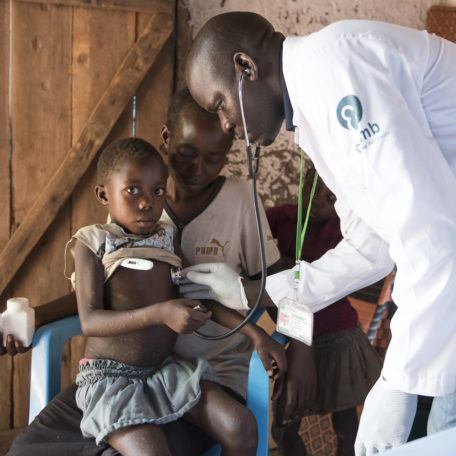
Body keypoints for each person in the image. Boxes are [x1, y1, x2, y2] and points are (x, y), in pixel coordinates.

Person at [181, 12, 456, 455]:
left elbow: (432, 236)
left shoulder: (338, 70)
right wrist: (252, 291)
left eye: (219, 104)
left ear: (245, 67)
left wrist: (397, 383)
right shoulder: (312, 113)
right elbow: (372, 245)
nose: (228, 126)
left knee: (446, 428)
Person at [7, 90, 284, 456]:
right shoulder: (95, 241)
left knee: (240, 425)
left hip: (168, 371)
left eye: (156, 192)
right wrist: (36, 317)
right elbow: (90, 315)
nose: (146, 203)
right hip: (111, 379)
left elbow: (197, 294)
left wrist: (257, 336)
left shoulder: (166, 238)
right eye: (134, 191)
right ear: (105, 196)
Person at [266, 166, 382, 456]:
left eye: (330, 197)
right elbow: (253, 232)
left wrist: (283, 268)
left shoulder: (343, 232)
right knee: (284, 424)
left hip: (336, 338)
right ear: (302, 183)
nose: (318, 200)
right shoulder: (283, 216)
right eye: (312, 189)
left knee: (345, 422)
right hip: (295, 336)